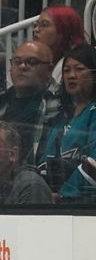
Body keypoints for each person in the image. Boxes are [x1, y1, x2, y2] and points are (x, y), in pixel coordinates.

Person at [0, 41, 62, 165]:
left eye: (31, 62)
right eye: (17, 62)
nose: (22, 67)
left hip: (41, 178)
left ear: (49, 69)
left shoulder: (62, 102)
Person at [40, 44, 96, 194]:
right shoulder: (60, 117)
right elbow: (45, 161)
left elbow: (94, 164)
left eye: (79, 69)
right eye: (66, 70)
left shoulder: (93, 113)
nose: (71, 75)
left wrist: (65, 195)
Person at [32, 6, 86, 83]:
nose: (36, 29)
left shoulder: (76, 62)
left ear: (64, 30)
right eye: (36, 25)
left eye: (44, 25)